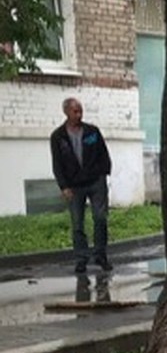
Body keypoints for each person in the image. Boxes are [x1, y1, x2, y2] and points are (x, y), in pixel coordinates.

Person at [50, 97, 112, 273]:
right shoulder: (58, 136)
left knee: (100, 218)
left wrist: (103, 174)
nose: (79, 115)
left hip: (95, 182)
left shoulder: (92, 131)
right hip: (74, 186)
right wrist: (64, 186)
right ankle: (81, 258)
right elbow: (57, 164)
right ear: (66, 112)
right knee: (77, 223)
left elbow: (103, 154)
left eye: (80, 111)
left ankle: (101, 256)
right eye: (75, 111)